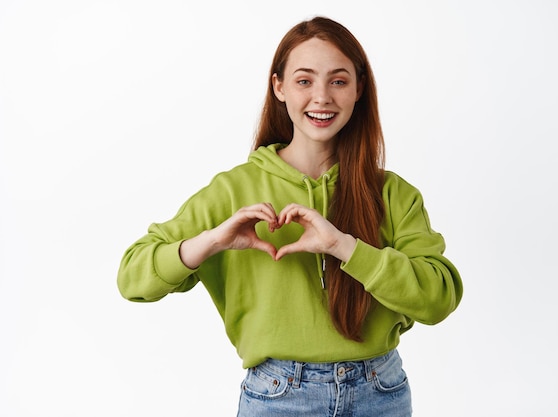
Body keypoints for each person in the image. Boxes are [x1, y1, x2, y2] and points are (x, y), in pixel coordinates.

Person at [117, 16, 462, 417]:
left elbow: (439, 299)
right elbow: (132, 277)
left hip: (380, 392)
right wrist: (212, 240)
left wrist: (343, 246)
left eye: (338, 80)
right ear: (278, 87)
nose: (322, 97)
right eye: (304, 80)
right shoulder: (233, 190)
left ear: (358, 89)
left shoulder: (393, 193)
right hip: (279, 397)